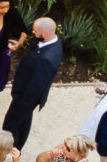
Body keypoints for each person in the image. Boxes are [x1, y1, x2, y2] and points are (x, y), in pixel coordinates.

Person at [5, 17, 64, 153]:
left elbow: (36, 87)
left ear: (44, 34)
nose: (32, 32)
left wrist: (21, 101)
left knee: (10, 125)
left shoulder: (46, 59)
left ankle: (11, 151)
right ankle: (18, 147)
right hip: (27, 95)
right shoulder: (52, 41)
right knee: (24, 119)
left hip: (26, 97)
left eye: (35, 31)